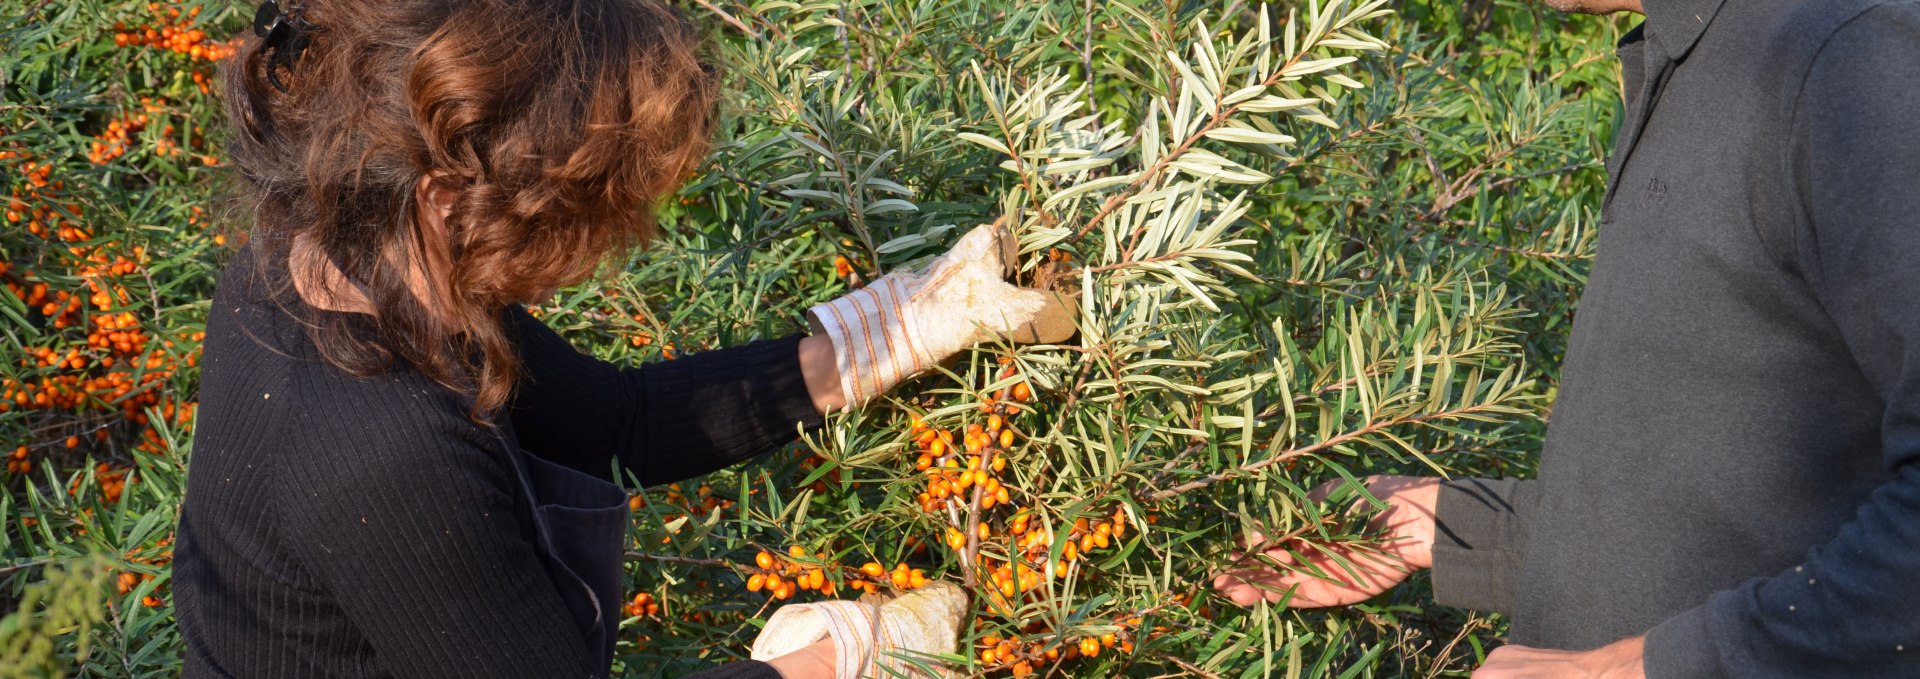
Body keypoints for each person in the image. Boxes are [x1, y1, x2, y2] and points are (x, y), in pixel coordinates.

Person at [170, 1, 1070, 677]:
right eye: (589, 203)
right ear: (450, 193)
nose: (609, 239)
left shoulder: (337, 249)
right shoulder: (387, 455)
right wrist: (843, 657)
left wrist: (896, 328)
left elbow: (616, 424)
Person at [1213, 0, 1920, 677]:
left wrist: (1645, 667)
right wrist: (1458, 527)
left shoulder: (1846, 58)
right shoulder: (1697, 62)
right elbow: (1732, 511)